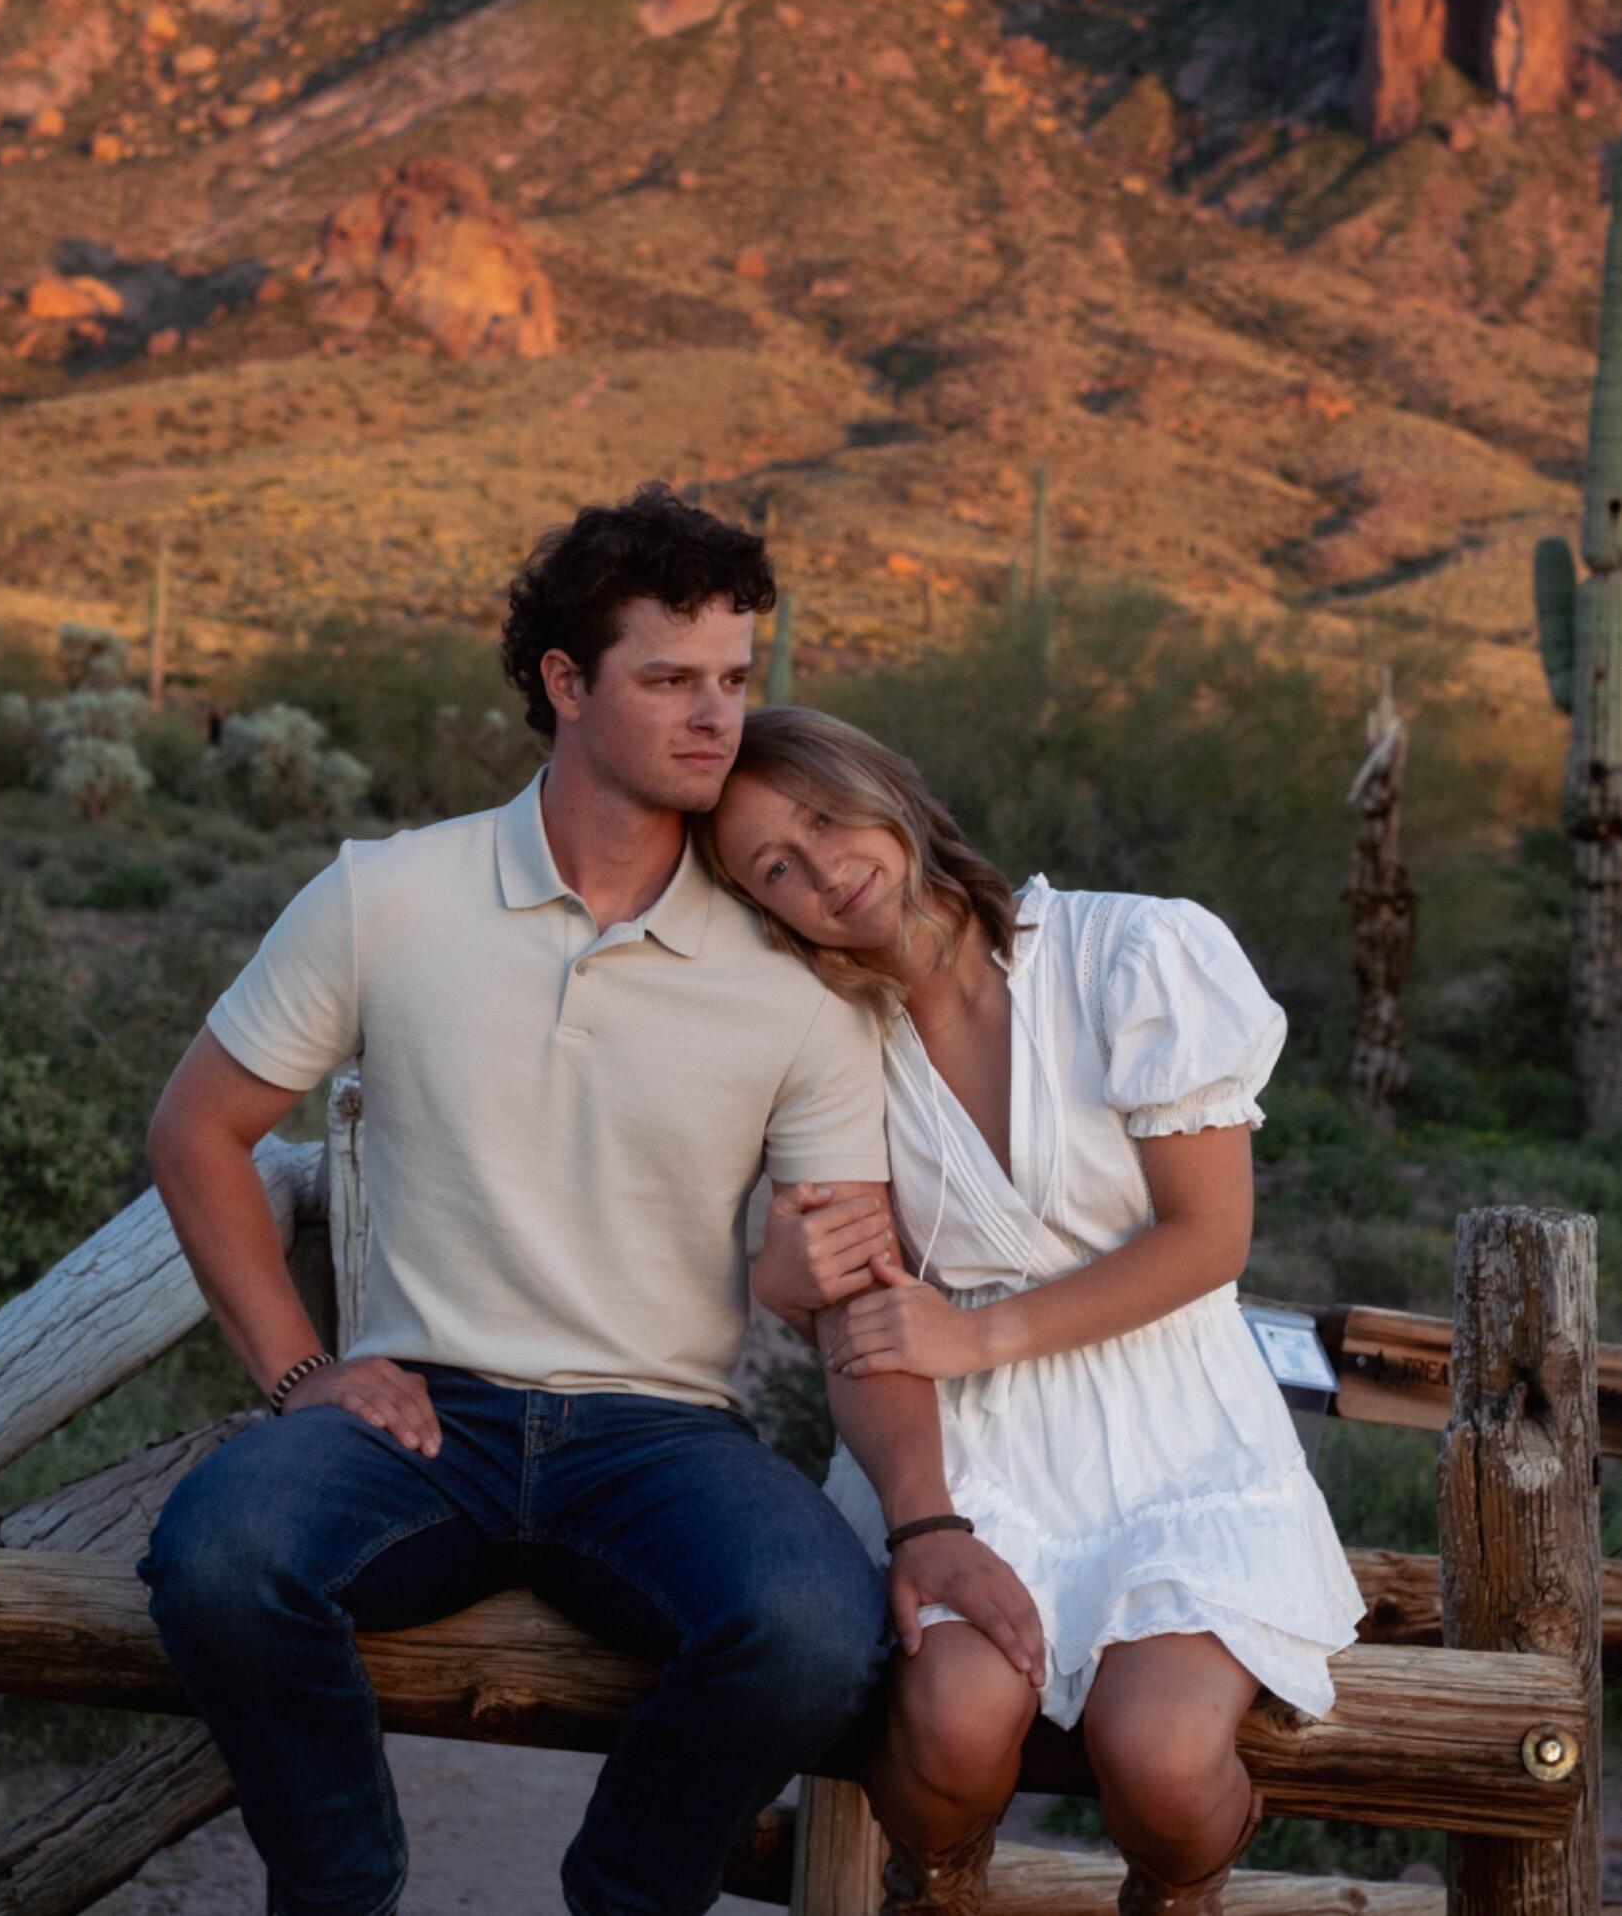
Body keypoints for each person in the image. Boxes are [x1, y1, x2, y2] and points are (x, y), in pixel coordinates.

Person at [138, 487, 1046, 1916]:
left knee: (811, 1636)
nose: (714, 716)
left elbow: (858, 1286)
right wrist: (303, 1370)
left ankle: (624, 1892)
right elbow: (198, 1125)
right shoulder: (388, 897)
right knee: (221, 1556)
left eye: (735, 680)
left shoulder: (791, 975)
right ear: (565, 683)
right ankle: (341, 1887)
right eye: (669, 678)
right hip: (418, 1422)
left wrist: (924, 1518)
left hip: (659, 1439)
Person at [704, 706, 1366, 1916]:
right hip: (958, 1445)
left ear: (887, 785)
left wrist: (980, 1329)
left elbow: (1207, 1239)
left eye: (819, 811)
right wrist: (800, 1304)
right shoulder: (832, 1049)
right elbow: (862, 1320)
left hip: (1174, 1430)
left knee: (1161, 1759)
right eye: (773, 868)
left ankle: (1179, 1888)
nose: (821, 864)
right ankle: (936, 1884)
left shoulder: (1131, 954)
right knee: (955, 1729)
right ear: (764, 911)